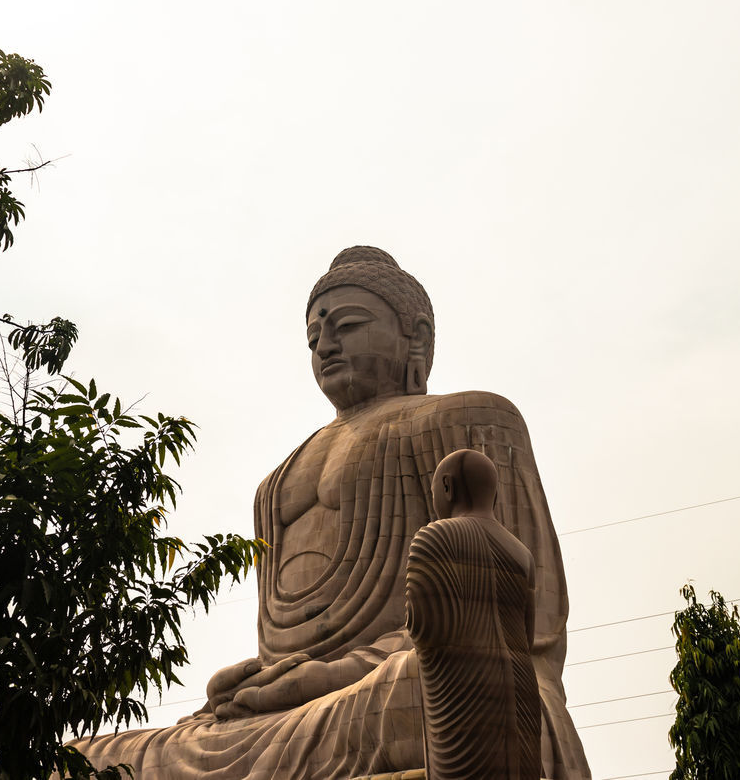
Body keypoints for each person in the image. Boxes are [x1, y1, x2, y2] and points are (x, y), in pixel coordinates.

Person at [70, 246, 590, 779]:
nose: (327, 343)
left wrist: (332, 675)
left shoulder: (471, 417)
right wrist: (252, 684)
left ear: (418, 337)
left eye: (347, 324)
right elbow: (278, 655)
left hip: (388, 688)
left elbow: (519, 630)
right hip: (291, 721)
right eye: (314, 337)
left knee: (432, 686)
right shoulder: (273, 484)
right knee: (89, 759)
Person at [407, 448, 544, 779]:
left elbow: (422, 625)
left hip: (463, 701)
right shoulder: (522, 554)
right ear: (494, 494)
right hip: (523, 702)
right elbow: (526, 638)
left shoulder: (434, 537)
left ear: (447, 487)